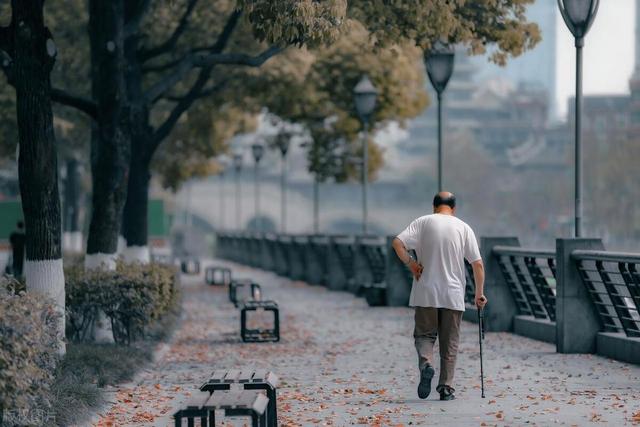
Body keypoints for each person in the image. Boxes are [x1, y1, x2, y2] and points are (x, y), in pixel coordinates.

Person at [392, 192, 486, 401]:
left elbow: (397, 243)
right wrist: (479, 293)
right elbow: (477, 264)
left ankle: (426, 364)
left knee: (424, 335)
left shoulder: (422, 222)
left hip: (425, 291)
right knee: (450, 342)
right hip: (453, 294)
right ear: (454, 208)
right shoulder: (463, 227)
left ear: (434, 206)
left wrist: (412, 264)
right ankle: (446, 388)